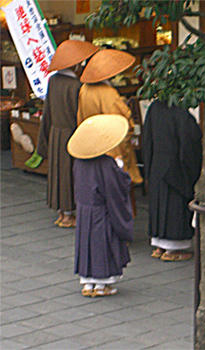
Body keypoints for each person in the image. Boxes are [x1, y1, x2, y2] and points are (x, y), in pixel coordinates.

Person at [67, 114, 134, 297]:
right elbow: (115, 188)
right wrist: (120, 167)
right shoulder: (106, 164)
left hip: (84, 209)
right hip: (101, 212)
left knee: (86, 243)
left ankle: (88, 283)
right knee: (102, 244)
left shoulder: (79, 162)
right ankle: (102, 285)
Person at [37, 40, 98, 228]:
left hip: (56, 132)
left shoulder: (54, 81)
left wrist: (44, 140)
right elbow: (80, 114)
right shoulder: (76, 86)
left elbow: (47, 112)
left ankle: (61, 213)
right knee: (71, 173)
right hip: (72, 133)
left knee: (58, 172)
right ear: (76, 64)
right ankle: (69, 214)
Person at [78, 49, 143, 216]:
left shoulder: (84, 89)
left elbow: (80, 118)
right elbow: (122, 122)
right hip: (112, 148)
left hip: (92, 145)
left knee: (98, 188)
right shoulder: (108, 93)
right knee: (118, 190)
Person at [143, 100, 202, 261]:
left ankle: (159, 246)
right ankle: (173, 249)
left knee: (159, 205)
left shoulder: (154, 107)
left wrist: (148, 167)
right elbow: (190, 144)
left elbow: (147, 138)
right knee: (174, 206)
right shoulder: (181, 112)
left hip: (157, 164)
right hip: (176, 167)